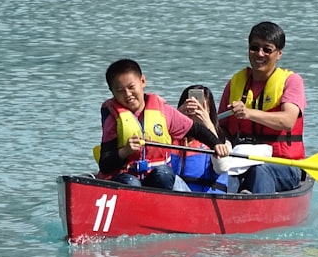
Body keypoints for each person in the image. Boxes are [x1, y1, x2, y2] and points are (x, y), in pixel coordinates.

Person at [95, 59, 230, 189]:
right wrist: (125, 151)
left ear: (142, 81)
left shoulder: (163, 111)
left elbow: (196, 130)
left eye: (131, 87)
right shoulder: (112, 117)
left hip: (158, 177)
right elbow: (105, 165)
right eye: (120, 91)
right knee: (131, 183)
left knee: (164, 173)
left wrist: (216, 143)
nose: (128, 94)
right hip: (127, 177)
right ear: (112, 91)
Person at [217, 21, 305, 194]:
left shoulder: (292, 82)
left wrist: (249, 113)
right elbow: (222, 128)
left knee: (259, 170)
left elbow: (287, 121)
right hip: (240, 160)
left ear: (279, 53)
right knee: (222, 174)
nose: (259, 54)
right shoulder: (235, 83)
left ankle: (256, 214)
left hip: (283, 164)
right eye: (254, 48)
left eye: (267, 49)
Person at [170, 85, 233, 193]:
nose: (195, 111)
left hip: (203, 200)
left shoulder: (224, 142)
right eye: (190, 106)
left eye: (201, 108)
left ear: (209, 112)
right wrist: (176, 116)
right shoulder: (168, 137)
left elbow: (222, 167)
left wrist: (208, 125)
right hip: (173, 196)